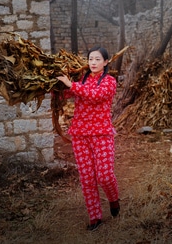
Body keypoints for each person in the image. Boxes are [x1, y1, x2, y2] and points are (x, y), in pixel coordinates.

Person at [56, 47, 120, 231]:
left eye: (97, 59)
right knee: (87, 179)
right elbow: (63, 94)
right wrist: (53, 85)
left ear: (106, 62)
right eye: (90, 58)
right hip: (80, 135)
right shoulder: (81, 79)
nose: (93, 62)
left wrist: (71, 85)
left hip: (102, 134)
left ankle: (114, 200)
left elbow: (95, 96)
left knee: (105, 176)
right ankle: (95, 218)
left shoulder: (109, 82)